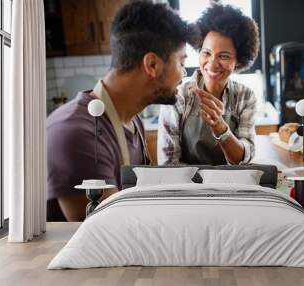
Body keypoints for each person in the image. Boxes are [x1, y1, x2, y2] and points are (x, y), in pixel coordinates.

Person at [47, 1, 190, 221]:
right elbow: (106, 234)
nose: (183, 74)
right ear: (152, 65)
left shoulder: (132, 120)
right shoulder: (77, 133)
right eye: (181, 62)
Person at [157, 4, 260, 166]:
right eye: (206, 53)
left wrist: (221, 128)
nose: (212, 64)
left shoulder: (245, 97)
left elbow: (244, 158)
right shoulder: (178, 96)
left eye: (224, 56)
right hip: (187, 188)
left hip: (231, 188)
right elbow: (169, 163)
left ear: (238, 60)